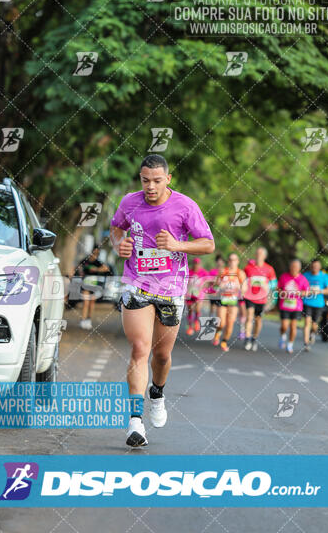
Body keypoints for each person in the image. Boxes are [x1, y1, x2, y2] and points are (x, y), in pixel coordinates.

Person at [110, 154, 215, 447]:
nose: (151, 187)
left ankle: (157, 392)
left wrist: (178, 244)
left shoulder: (185, 206)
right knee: (140, 348)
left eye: (157, 181)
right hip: (137, 284)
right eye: (145, 181)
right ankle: (135, 422)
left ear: (168, 179)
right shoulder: (129, 202)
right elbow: (116, 228)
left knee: (161, 355)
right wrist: (120, 244)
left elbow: (208, 243)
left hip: (171, 289)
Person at [243, 248, 277, 351]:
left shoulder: (269, 269)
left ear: (264, 256)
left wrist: (269, 287)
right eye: (257, 253)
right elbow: (243, 280)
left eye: (261, 254)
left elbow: (274, 283)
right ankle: (247, 338)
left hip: (262, 299)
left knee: (258, 319)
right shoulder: (248, 268)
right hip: (249, 297)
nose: (258, 256)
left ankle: (254, 338)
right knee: (249, 316)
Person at [212, 253, 246, 351]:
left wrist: (240, 288)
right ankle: (218, 333)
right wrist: (219, 285)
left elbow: (244, 287)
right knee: (222, 323)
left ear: (238, 262)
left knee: (230, 322)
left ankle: (224, 341)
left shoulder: (240, 273)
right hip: (222, 299)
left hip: (233, 300)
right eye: (230, 260)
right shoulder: (223, 271)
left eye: (234, 260)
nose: (232, 262)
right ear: (228, 261)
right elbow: (216, 284)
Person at [277, 259, 310, 353]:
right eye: (292, 266)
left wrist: (299, 293)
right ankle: (283, 336)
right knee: (284, 326)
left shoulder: (303, 279)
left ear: (299, 268)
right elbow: (278, 288)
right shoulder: (284, 277)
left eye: (295, 267)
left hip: (297, 306)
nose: (293, 268)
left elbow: (307, 292)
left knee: (293, 326)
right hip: (285, 305)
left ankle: (290, 344)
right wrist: (281, 292)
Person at [76, 245, 110, 329]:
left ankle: (88, 320)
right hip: (85, 284)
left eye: (97, 253)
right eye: (94, 252)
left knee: (91, 303)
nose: (95, 254)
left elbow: (106, 268)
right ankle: (83, 320)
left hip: (95, 285)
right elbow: (78, 267)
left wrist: (96, 270)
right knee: (86, 302)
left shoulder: (98, 262)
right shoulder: (85, 260)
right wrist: (80, 271)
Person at [302, 259, 328, 351]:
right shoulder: (305, 275)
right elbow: (300, 287)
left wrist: (320, 291)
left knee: (314, 325)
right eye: (313, 266)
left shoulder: (324, 276)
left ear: (319, 267)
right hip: (307, 302)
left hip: (318, 304)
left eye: (316, 266)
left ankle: (313, 333)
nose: (314, 268)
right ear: (311, 266)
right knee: (307, 322)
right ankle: (306, 343)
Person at [185, 257, 210, 336]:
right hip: (189, 294)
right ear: (193, 264)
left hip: (199, 294)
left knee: (197, 309)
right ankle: (190, 326)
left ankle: (196, 321)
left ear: (200, 264)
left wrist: (205, 287)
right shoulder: (189, 271)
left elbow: (208, 282)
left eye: (198, 264)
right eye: (195, 264)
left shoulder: (203, 272)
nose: (196, 265)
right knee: (190, 310)